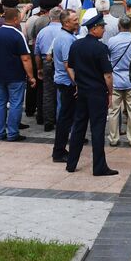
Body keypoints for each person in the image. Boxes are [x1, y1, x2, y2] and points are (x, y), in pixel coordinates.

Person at [65, 12, 118, 176]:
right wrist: (110, 93)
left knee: (79, 127)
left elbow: (70, 67)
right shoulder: (100, 48)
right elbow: (107, 75)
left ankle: (71, 164)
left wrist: (78, 84)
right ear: (94, 28)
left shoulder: (76, 45)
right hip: (97, 93)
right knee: (97, 129)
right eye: (102, 27)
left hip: (82, 92)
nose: (103, 30)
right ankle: (99, 166)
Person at [0, 2, 35, 142]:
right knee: (15, 103)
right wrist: (31, 76)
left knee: (0, 103)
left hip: (0, 74)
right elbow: (26, 58)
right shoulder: (17, 34)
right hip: (15, 75)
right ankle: (13, 133)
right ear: (15, 19)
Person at [106, 16, 131, 147]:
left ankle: (113, 138)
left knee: (113, 111)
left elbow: (109, 58)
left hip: (115, 80)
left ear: (119, 26)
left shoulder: (111, 41)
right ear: (130, 26)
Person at [51, 10, 80, 161]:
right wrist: (76, 84)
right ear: (66, 23)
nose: (77, 21)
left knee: (66, 117)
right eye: (75, 19)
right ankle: (59, 151)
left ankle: (61, 149)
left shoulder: (66, 36)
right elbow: (68, 64)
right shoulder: (66, 39)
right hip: (67, 83)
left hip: (64, 81)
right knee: (65, 118)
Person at [34, 7, 65, 132]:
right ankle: (61, 119)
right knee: (62, 92)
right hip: (61, 62)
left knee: (47, 92)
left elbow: (37, 52)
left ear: (50, 17)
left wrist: (39, 68)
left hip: (46, 62)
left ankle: (48, 121)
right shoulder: (64, 31)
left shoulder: (43, 32)